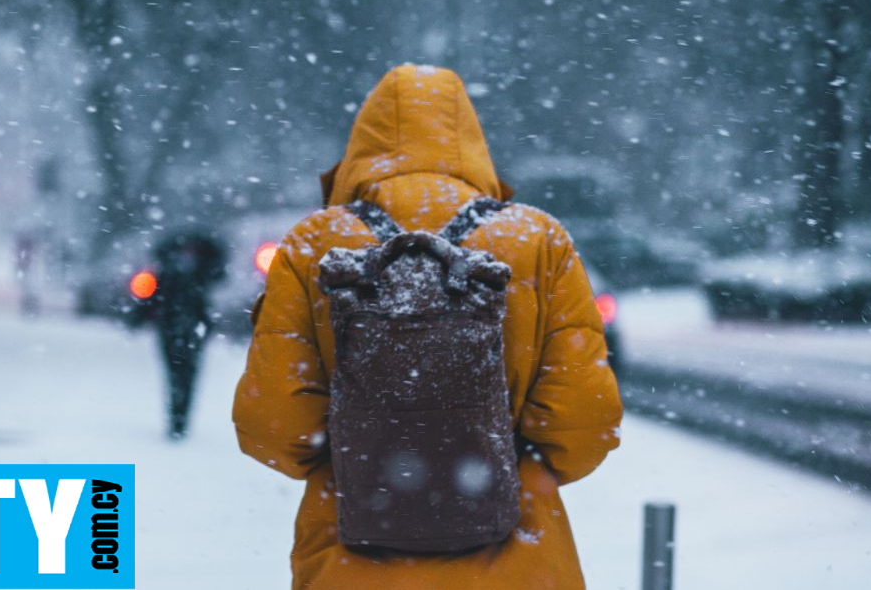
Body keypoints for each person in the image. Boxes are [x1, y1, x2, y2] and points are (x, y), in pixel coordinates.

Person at [233, 64, 623, 589]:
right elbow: (583, 424)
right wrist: (493, 464)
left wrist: (366, 456)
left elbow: (273, 428)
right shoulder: (538, 239)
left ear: (362, 144)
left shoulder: (314, 245)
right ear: (471, 141)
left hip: (349, 557)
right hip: (518, 561)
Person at [131, 230, 225, 439]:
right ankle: (178, 418)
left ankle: (179, 418)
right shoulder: (190, 271)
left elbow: (151, 296)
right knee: (180, 374)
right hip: (180, 327)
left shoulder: (187, 270)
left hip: (181, 327)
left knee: (182, 374)